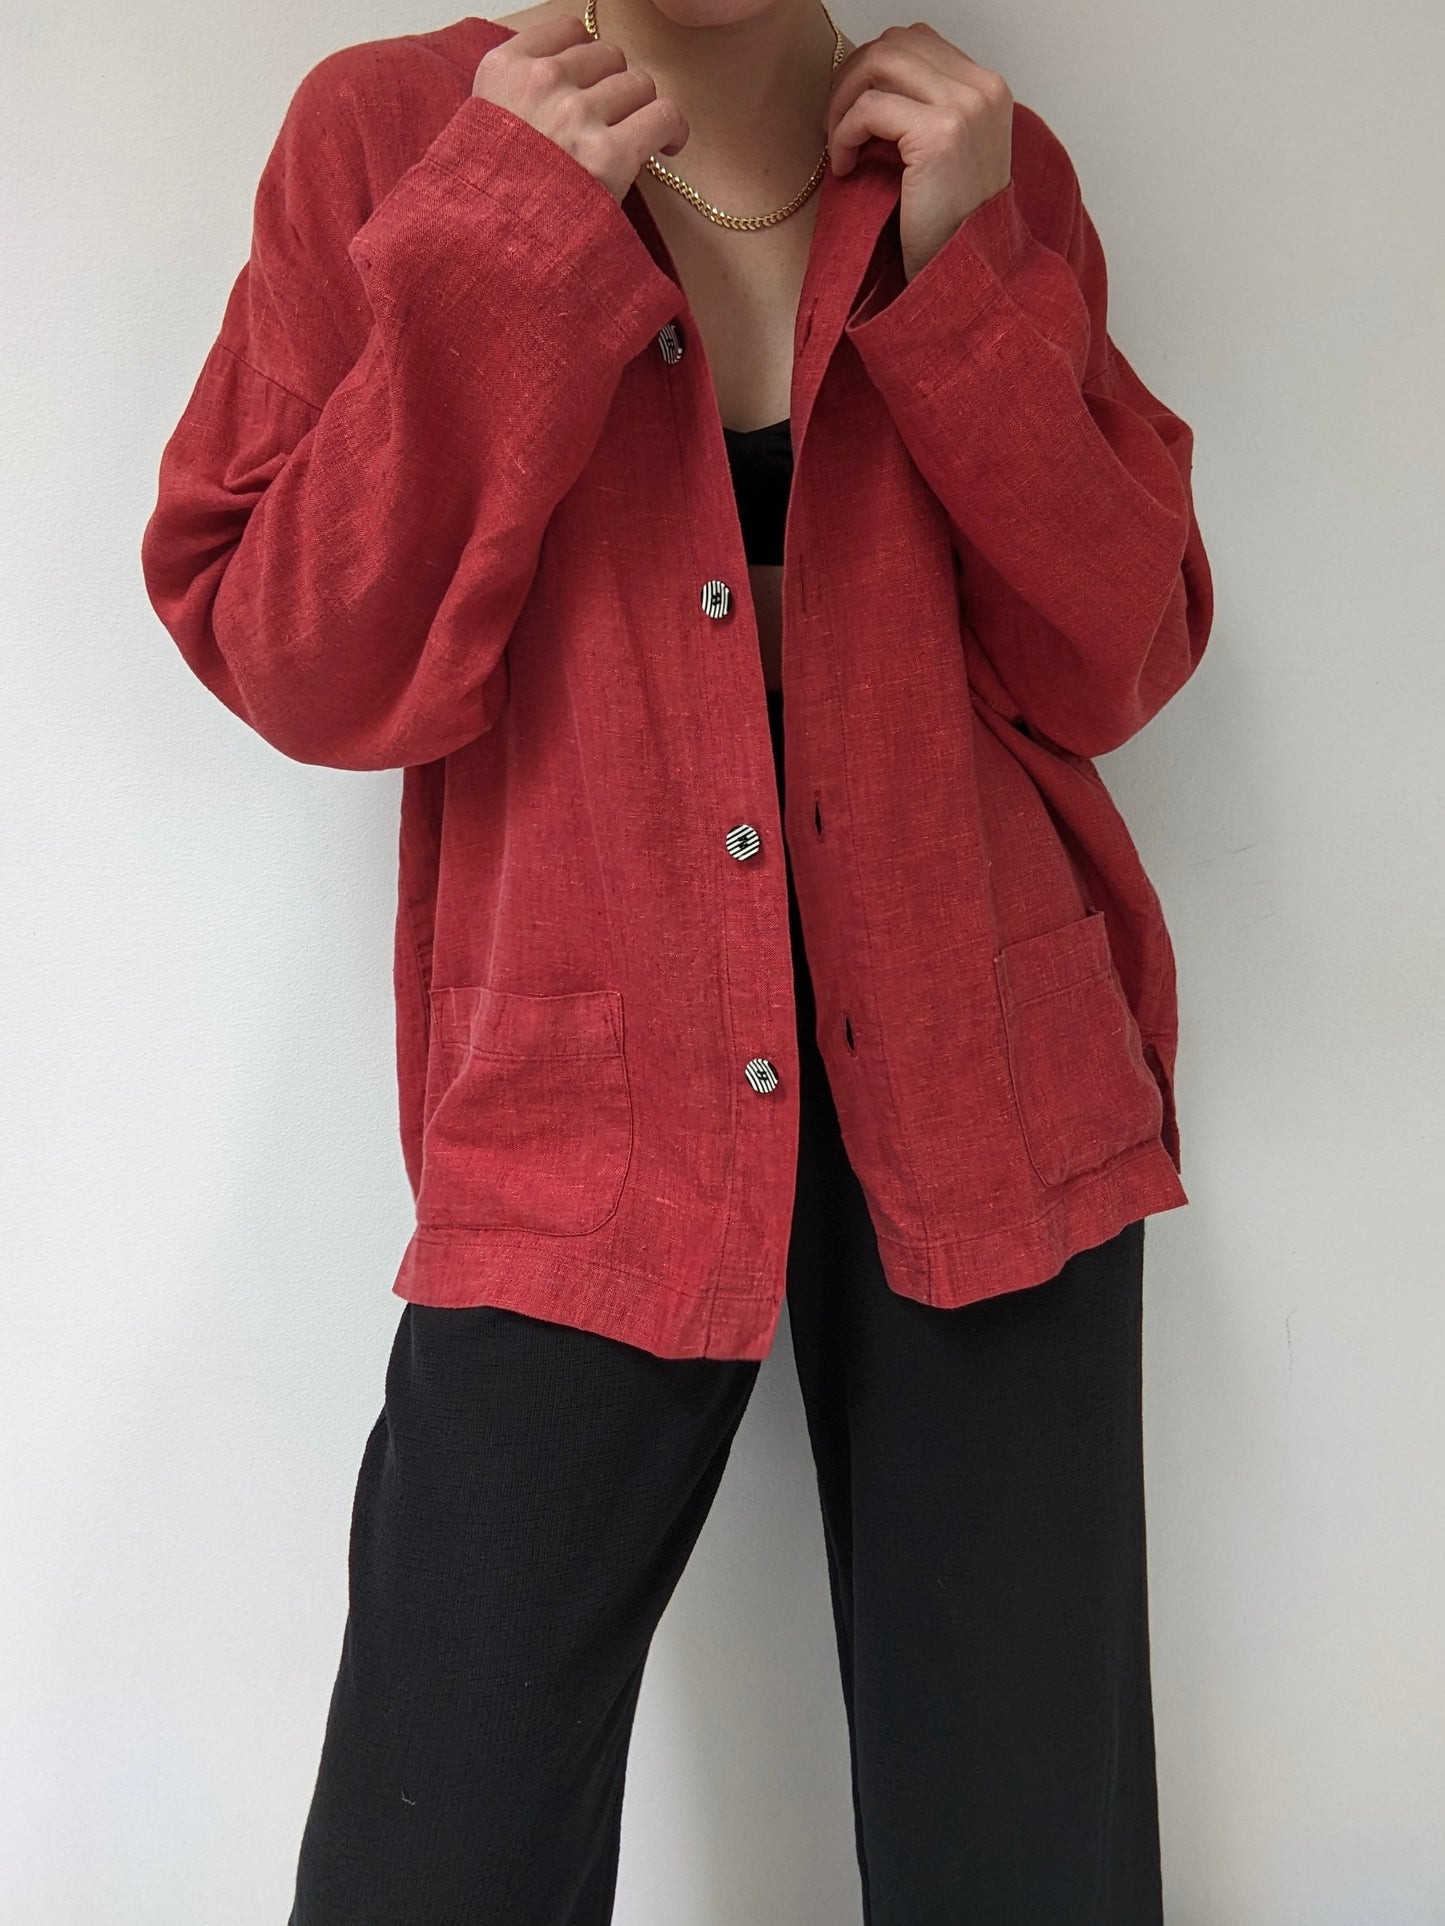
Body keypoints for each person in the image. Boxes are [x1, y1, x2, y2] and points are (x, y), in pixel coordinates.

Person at [141, 2, 1212, 1918]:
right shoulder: (395, 130)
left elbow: (1117, 653)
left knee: (1024, 1840)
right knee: (439, 1825)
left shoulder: (978, 159)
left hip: (986, 1049)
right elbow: (301, 659)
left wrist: (972, 276)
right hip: (584, 1071)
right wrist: (498, 241)